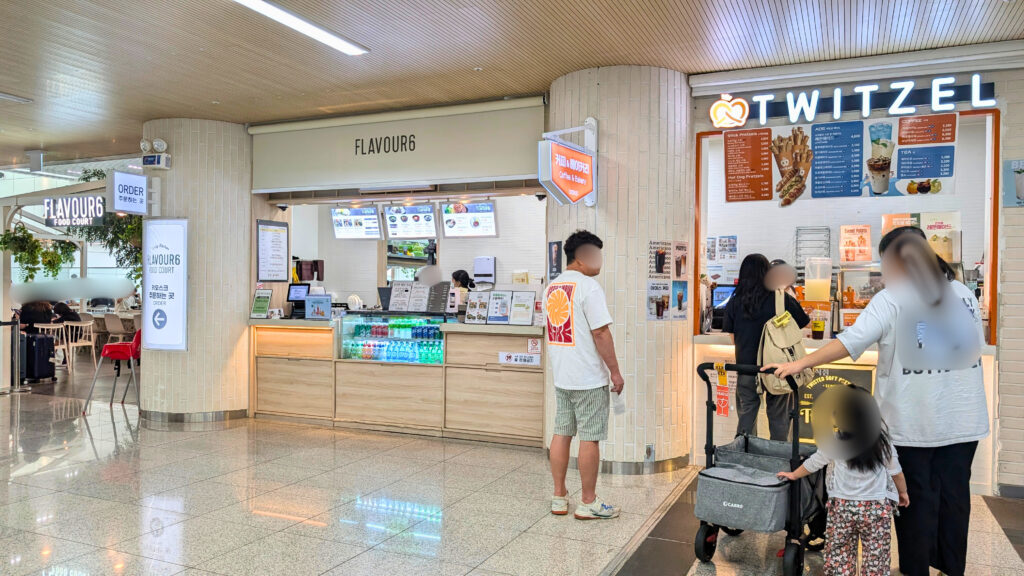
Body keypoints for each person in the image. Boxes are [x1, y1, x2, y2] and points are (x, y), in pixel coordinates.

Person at [767, 226, 988, 576]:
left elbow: (851, 341)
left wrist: (800, 363)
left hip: (913, 422)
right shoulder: (962, 293)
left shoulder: (893, 297)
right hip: (965, 420)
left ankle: (916, 569)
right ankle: (950, 568)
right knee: (954, 500)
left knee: (914, 502)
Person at [778, 386, 909, 575]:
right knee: (876, 559)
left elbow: (814, 463)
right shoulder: (882, 441)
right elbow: (896, 473)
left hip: (842, 507)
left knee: (839, 556)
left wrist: (794, 474)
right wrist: (902, 492)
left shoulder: (835, 441)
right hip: (875, 508)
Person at [546, 230, 622, 520]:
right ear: (580, 258)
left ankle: (559, 496)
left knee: (562, 433)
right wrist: (615, 372)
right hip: (588, 378)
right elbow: (600, 332)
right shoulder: (588, 287)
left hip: (563, 376)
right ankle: (588, 501)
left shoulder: (553, 287)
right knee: (590, 438)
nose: (599, 260)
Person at [723, 254, 809, 440]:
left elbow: (733, 338)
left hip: (746, 369)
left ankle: (745, 454)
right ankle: (777, 457)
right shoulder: (781, 298)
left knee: (746, 419)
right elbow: (803, 323)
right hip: (776, 369)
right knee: (780, 421)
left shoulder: (735, 301)